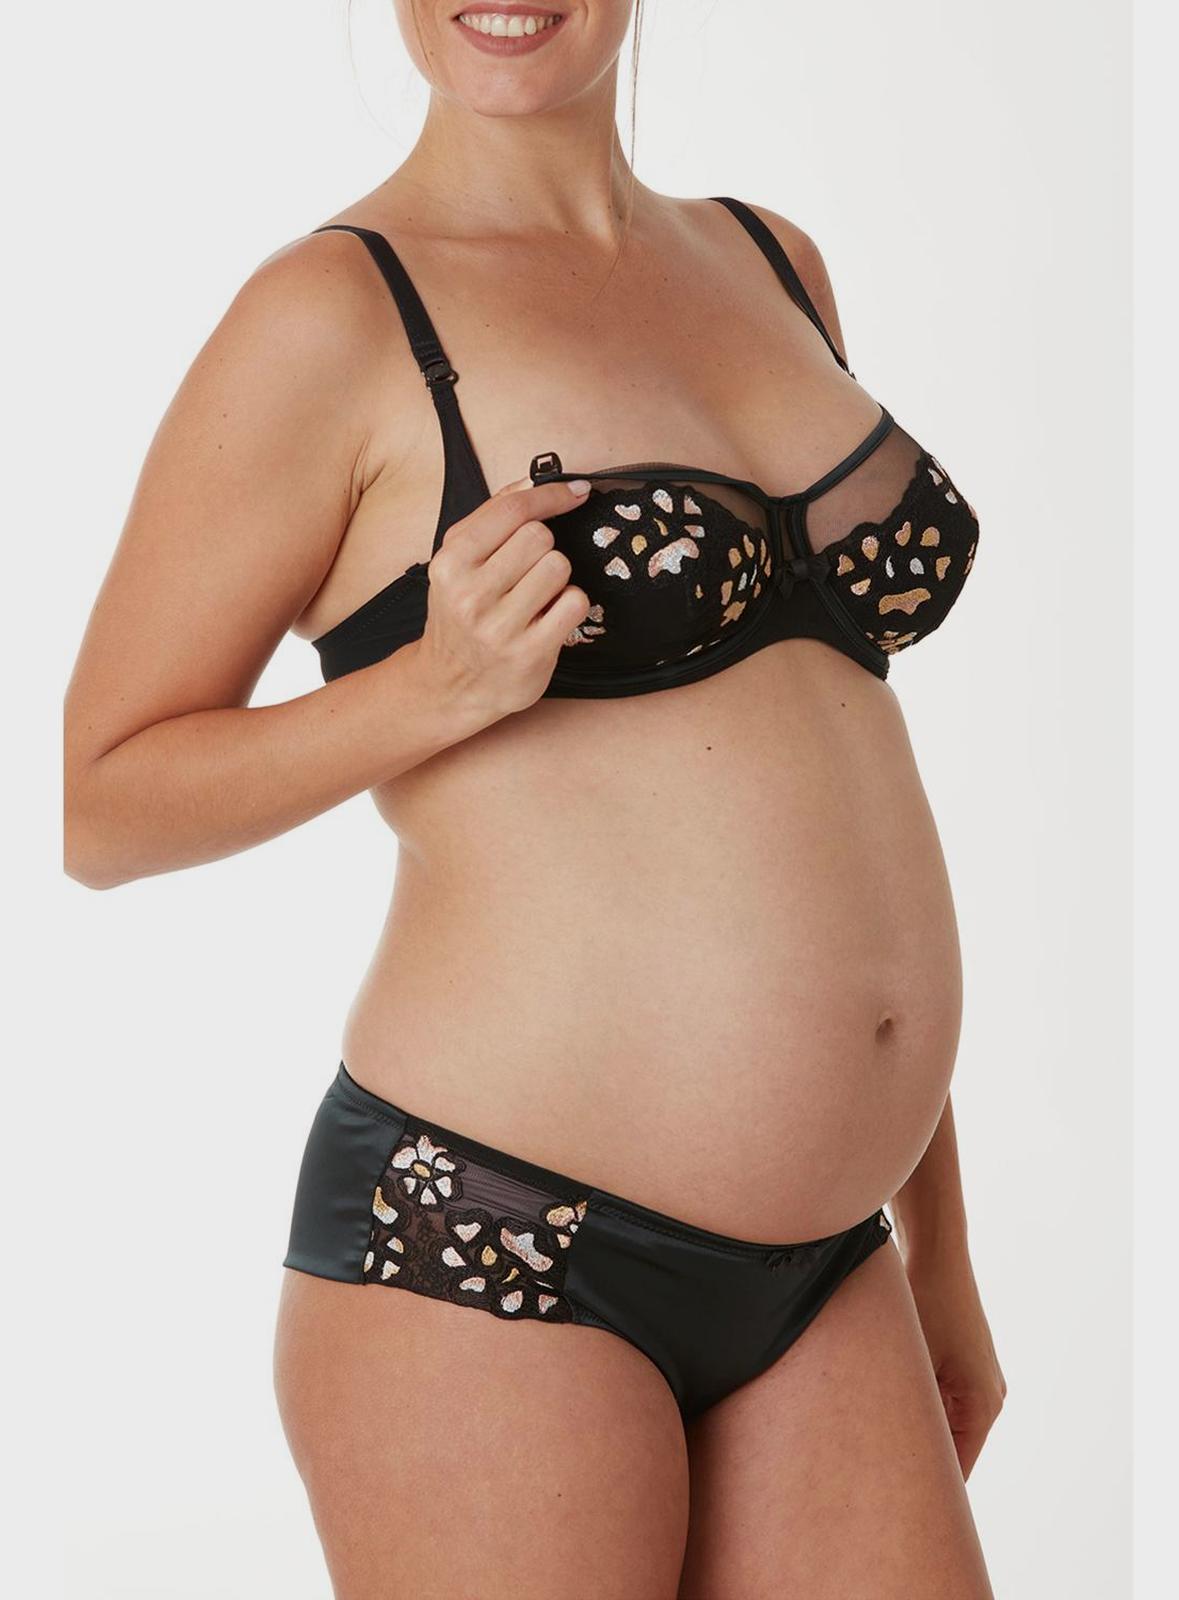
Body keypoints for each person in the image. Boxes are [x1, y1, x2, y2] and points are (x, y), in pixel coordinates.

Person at [63, 3, 1004, 1594]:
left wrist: (945, 1254)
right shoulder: (331, 315)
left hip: (830, 1270)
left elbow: (833, 792)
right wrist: (430, 689)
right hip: (490, 1247)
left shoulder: (772, 262)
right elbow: (98, 802)